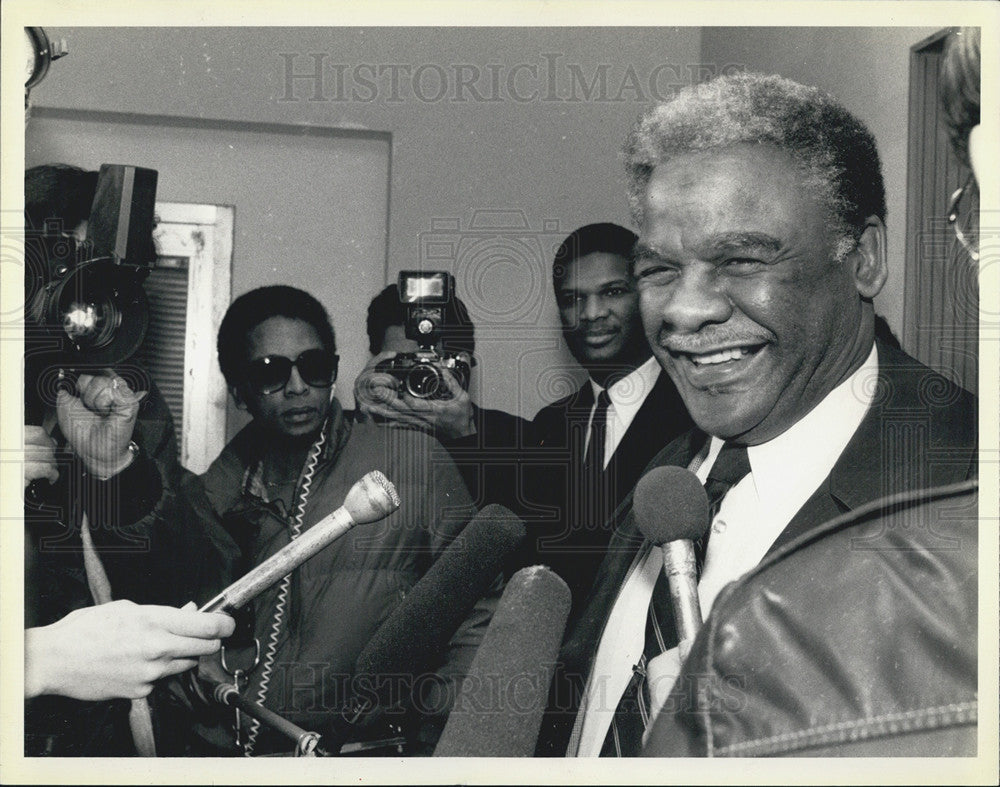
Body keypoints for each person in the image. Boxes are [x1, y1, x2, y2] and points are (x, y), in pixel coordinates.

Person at [539, 72, 977, 758]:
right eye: (658, 270)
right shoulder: (668, 479)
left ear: (864, 259)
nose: (684, 311)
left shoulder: (962, 501)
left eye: (740, 259)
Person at [179, 285, 493, 756]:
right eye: (271, 373)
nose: (298, 386)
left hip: (376, 757)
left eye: (315, 366)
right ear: (238, 391)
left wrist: (436, 733)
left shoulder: (411, 462)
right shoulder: (210, 500)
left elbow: (479, 611)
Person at [23, 166, 234, 756]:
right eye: (67, 276)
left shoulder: (119, 399)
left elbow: (180, 597)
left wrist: (115, 473)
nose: (81, 307)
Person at [524, 223, 692, 614]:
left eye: (612, 292)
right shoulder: (549, 426)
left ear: (648, 296)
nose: (591, 314)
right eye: (572, 299)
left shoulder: (696, 413)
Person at [354, 280, 528, 513]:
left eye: (429, 366)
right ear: (375, 363)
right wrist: (364, 429)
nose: (417, 377)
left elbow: (509, 535)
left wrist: (465, 439)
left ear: (463, 365)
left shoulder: (517, 437)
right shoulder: (347, 432)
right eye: (403, 364)